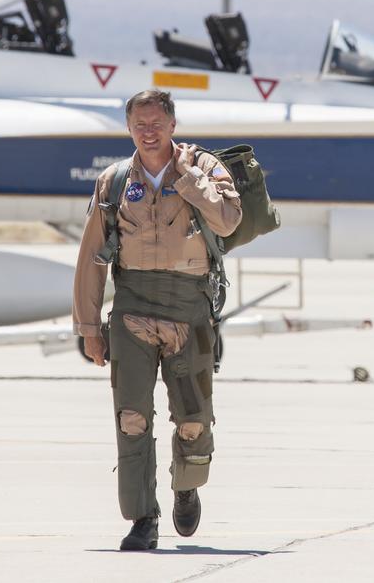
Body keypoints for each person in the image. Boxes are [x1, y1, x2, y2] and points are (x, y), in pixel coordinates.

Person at [73, 89, 241, 551]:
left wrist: (188, 181)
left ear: (172, 124)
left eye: (156, 123)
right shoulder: (113, 181)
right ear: (129, 128)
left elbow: (227, 221)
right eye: (139, 124)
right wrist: (89, 328)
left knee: (192, 420)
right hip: (132, 310)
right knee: (131, 418)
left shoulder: (204, 169)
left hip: (189, 307)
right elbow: (91, 257)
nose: (148, 132)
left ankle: (186, 485)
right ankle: (142, 518)